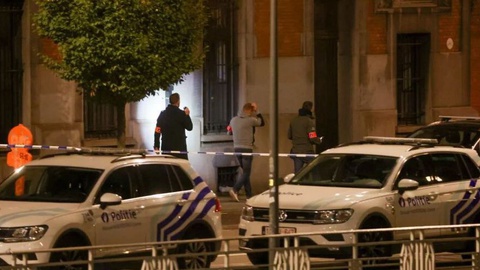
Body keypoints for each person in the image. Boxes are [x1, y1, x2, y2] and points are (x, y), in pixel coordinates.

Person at [228, 102, 265, 202]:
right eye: (252, 111)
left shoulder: (233, 120)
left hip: (237, 149)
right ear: (250, 111)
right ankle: (235, 189)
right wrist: (258, 111)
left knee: (245, 172)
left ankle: (249, 195)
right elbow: (262, 123)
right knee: (246, 172)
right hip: (247, 149)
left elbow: (229, 132)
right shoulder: (251, 120)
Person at [154, 93, 193, 160]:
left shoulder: (163, 114)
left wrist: (156, 145)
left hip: (166, 148)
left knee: (168, 168)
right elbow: (189, 127)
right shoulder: (181, 114)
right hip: (180, 149)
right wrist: (187, 115)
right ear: (178, 101)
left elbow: (157, 130)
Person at [288, 101, 322, 174]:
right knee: (314, 171)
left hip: (296, 150)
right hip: (307, 151)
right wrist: (319, 140)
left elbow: (289, 136)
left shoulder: (293, 120)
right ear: (310, 109)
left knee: (297, 174)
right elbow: (312, 137)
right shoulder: (309, 121)